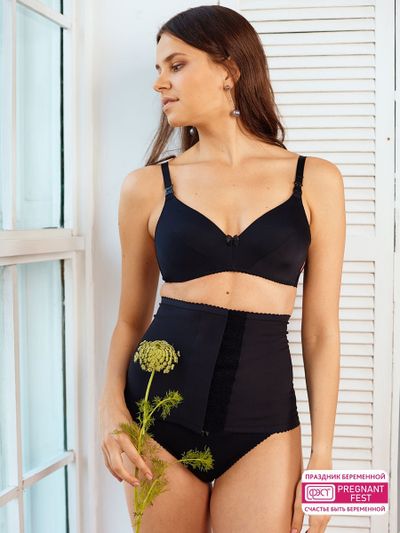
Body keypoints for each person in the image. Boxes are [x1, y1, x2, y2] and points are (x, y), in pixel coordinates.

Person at [99, 5, 345, 532]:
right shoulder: (146, 186)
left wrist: (323, 457)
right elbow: (129, 319)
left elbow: (322, 330)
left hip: (264, 428)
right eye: (158, 69)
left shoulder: (317, 180)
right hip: (157, 417)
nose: (159, 83)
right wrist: (109, 410)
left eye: (176, 65)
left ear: (229, 70)